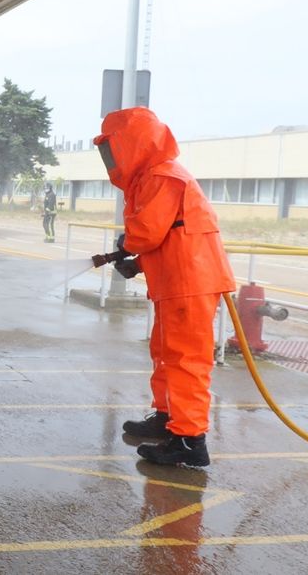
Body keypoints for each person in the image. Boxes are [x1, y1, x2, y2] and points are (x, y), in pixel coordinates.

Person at [94, 107, 235, 467]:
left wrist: (129, 244)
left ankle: (188, 440)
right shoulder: (152, 178)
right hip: (179, 281)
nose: (110, 159)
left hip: (190, 283)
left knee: (186, 359)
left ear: (132, 144)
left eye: (112, 149)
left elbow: (147, 232)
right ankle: (166, 418)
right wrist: (138, 261)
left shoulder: (162, 176)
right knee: (166, 353)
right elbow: (171, 236)